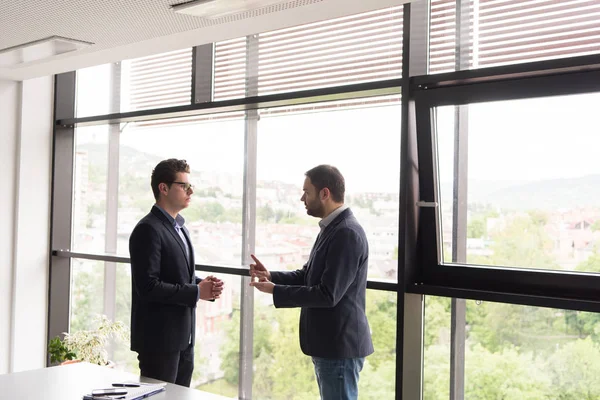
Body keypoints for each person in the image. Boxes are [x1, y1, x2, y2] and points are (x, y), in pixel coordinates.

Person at [249, 164, 373, 400]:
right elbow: (307, 275)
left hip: (339, 347)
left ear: (324, 193)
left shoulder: (346, 233)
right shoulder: (331, 229)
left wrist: (276, 291)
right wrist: (272, 276)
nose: (301, 198)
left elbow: (327, 294)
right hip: (331, 345)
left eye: (307, 192)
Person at [129, 158, 223, 387]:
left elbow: (179, 277)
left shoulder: (180, 228)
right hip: (159, 342)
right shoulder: (147, 229)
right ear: (163, 188)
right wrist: (196, 292)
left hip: (183, 340)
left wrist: (203, 287)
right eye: (184, 186)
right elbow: (148, 286)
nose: (190, 191)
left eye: (191, 186)